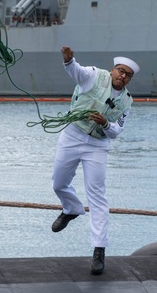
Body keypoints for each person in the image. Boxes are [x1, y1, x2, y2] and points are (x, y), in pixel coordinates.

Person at [51, 46, 138, 275]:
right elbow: (77, 72)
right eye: (121, 71)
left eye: (128, 74)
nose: (123, 76)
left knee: (97, 195)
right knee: (58, 183)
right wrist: (69, 61)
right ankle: (71, 208)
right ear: (113, 70)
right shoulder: (94, 76)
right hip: (73, 135)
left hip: (97, 146)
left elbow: (117, 131)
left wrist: (105, 123)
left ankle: (99, 249)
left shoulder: (127, 102)